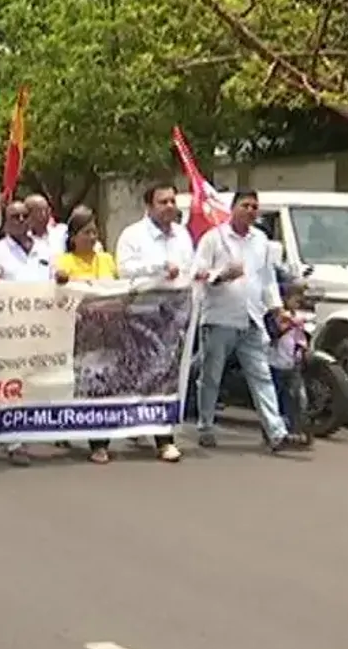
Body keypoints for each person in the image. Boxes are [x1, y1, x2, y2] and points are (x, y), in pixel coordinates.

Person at [193, 189, 303, 452]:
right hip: (219, 318)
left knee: (261, 375)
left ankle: (276, 431)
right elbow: (197, 272)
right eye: (246, 205)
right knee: (211, 376)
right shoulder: (214, 239)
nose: (251, 211)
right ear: (233, 208)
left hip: (252, 319)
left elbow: (266, 281)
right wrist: (221, 275)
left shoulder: (261, 241)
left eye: (255, 207)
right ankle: (205, 425)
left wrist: (277, 310)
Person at [113, 183, 193, 463]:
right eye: (163, 202)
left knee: (164, 376)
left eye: (173, 201)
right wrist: (159, 267)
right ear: (149, 206)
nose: (170, 206)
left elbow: (189, 269)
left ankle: (164, 438)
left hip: (174, 317)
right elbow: (124, 269)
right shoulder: (132, 235)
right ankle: (113, 431)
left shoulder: (182, 235)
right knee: (135, 375)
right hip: (141, 315)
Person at [0, 200, 69, 466]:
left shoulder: (45, 249)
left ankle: (42, 429)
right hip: (10, 327)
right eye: (15, 217)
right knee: (11, 383)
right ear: (6, 221)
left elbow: (56, 273)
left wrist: (61, 276)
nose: (21, 221)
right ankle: (13, 441)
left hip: (42, 325)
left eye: (25, 216)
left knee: (38, 380)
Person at [55, 207, 118, 463]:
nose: (92, 237)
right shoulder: (64, 262)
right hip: (75, 333)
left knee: (101, 386)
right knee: (77, 385)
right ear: (73, 237)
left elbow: (117, 288)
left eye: (95, 232)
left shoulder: (106, 260)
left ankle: (99, 442)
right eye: (86, 232)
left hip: (106, 332)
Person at [268, 280, 312, 446]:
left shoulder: (295, 317)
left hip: (292, 364)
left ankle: (297, 430)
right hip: (275, 364)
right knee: (276, 398)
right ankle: (274, 429)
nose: (297, 303)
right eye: (295, 299)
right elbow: (275, 333)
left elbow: (299, 338)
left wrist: (302, 349)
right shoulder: (277, 317)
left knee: (295, 397)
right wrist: (288, 325)